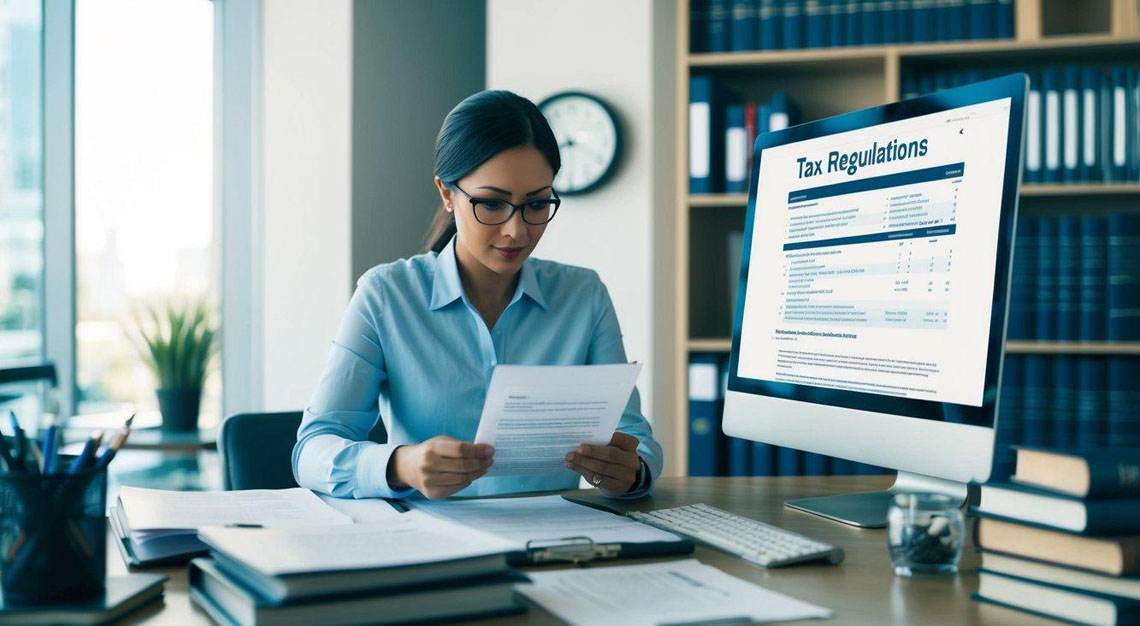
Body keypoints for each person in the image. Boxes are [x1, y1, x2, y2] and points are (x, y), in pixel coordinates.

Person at [292, 90, 662, 500]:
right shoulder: (386, 296)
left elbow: (635, 438)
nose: (516, 231)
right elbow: (312, 449)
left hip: (554, 545)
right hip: (429, 545)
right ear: (447, 193)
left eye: (537, 204)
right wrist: (402, 465)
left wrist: (631, 471)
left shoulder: (584, 296)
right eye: (491, 204)